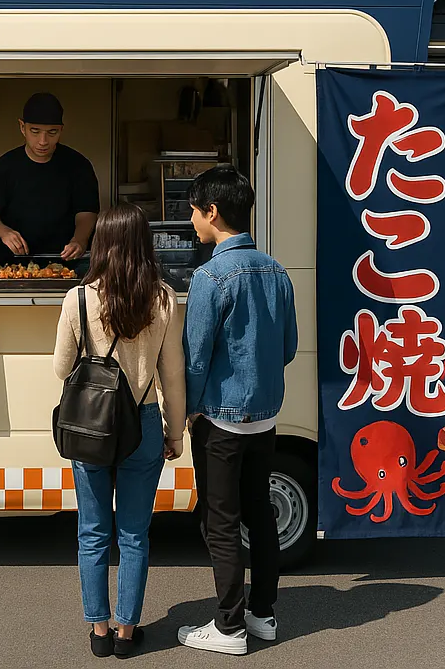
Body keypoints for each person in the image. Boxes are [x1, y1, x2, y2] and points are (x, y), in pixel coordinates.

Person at [53, 204, 185, 659]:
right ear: (144, 244)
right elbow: (173, 375)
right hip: (144, 424)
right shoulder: (164, 299)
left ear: (101, 244)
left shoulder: (79, 299)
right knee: (134, 534)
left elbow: (60, 369)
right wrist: (176, 431)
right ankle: (128, 634)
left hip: (91, 425)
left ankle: (99, 631)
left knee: (92, 532)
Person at [177, 167, 298, 656]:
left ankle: (228, 628)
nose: (190, 219)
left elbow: (197, 357)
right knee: (259, 515)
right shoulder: (277, 270)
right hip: (266, 416)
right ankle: (262, 614)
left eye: (193, 209)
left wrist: (185, 412)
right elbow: (288, 347)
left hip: (221, 421)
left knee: (219, 521)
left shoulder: (210, 276)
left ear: (212, 211)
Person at [0, 92, 100, 261]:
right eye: (35, 131)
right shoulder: (3, 167)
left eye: (52, 132)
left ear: (61, 130)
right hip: (13, 262)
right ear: (22, 127)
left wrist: (80, 240)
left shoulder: (79, 166)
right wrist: (4, 232)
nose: (43, 141)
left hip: (67, 260)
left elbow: (86, 211)